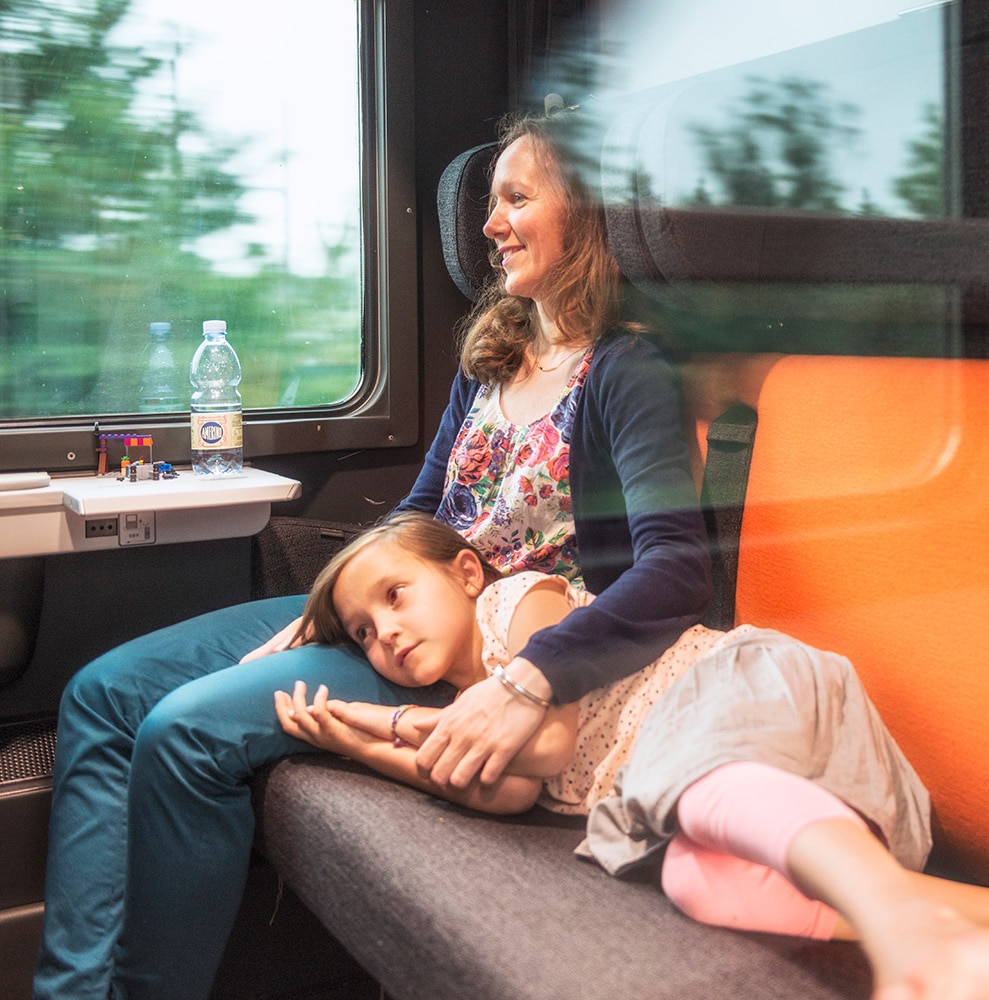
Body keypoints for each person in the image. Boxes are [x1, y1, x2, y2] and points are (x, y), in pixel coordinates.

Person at [35, 107, 712, 1000]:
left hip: (486, 645)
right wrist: (323, 611)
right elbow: (418, 512)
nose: (488, 225)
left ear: (587, 211)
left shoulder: (628, 373)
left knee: (184, 732)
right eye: (489, 202)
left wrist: (530, 679)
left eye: (516, 198)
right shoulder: (498, 354)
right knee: (102, 695)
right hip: (402, 597)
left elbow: (677, 567)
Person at [275, 513, 989, 1000]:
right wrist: (359, 745)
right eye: (363, 630)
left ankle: (911, 936)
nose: (385, 632)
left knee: (700, 787)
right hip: (731, 797)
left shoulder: (516, 609)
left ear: (464, 573)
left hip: (743, 692)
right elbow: (503, 795)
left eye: (395, 597)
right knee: (699, 880)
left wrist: (386, 724)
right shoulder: (456, 708)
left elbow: (547, 738)